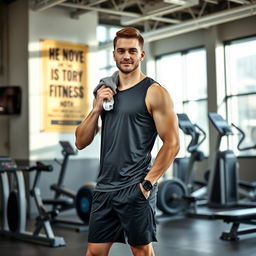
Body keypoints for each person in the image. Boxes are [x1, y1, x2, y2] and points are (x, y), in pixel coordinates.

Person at [75, 27, 180, 256]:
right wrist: (95, 109)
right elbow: (80, 142)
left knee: (141, 251)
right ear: (113, 54)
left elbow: (172, 143)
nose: (126, 56)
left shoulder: (154, 92)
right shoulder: (105, 92)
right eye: (121, 51)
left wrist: (147, 184)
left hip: (135, 186)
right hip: (104, 188)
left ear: (141, 55)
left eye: (132, 51)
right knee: (94, 252)